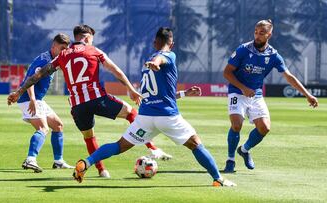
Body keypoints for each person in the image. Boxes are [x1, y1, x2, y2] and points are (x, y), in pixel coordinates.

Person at [72, 27, 236, 187]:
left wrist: (185, 93)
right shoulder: (168, 55)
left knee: (119, 146)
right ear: (171, 43)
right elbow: (162, 58)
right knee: (196, 144)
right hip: (167, 117)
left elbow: (161, 93)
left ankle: (86, 162)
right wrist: (156, 63)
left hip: (145, 118)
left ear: (154, 42)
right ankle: (218, 179)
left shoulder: (146, 65)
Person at [8, 25, 172, 178]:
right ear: (86, 38)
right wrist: (130, 89)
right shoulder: (93, 50)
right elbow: (115, 70)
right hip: (96, 98)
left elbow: (37, 76)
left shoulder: (62, 55)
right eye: (92, 38)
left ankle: (102, 171)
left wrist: (18, 91)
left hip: (77, 107)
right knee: (130, 112)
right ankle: (153, 148)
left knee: (88, 136)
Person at [222, 19, 318, 173]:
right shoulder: (243, 50)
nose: (257, 36)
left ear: (269, 35)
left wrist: (307, 95)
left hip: (256, 94)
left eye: (261, 33)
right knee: (236, 125)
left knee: (265, 128)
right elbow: (227, 72)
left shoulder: (273, 55)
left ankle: (245, 150)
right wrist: (243, 88)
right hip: (237, 91)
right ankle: (230, 160)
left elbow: (289, 76)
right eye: (256, 32)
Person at [17, 33, 73, 173]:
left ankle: (58, 161)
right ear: (53, 46)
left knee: (58, 126)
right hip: (28, 99)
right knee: (43, 128)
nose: (64, 52)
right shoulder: (44, 61)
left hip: (38, 99)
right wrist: (33, 100)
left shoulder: (55, 59)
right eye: (61, 48)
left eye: (66, 49)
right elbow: (31, 79)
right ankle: (31, 159)